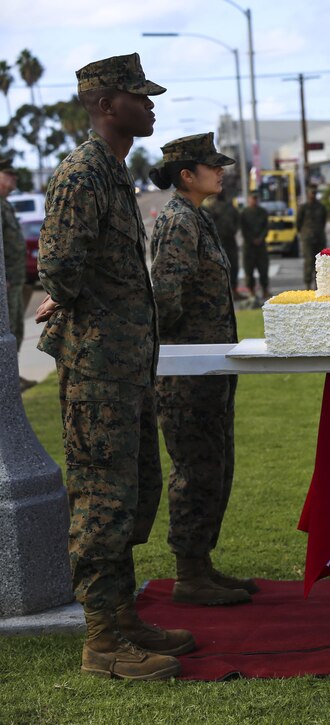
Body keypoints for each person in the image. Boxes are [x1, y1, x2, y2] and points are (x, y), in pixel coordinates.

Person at [35, 52, 189, 680]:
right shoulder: (84, 174)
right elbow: (61, 269)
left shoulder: (112, 171)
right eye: (139, 97)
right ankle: (102, 641)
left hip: (123, 368)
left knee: (130, 495)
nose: (150, 106)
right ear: (105, 104)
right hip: (98, 369)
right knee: (101, 500)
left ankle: (121, 616)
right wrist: (68, 300)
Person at [147, 133, 254, 608]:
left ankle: (202, 565)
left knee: (215, 465)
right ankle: (188, 574)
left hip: (208, 364)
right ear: (186, 175)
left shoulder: (195, 217)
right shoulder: (178, 222)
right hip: (187, 369)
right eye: (213, 166)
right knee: (196, 469)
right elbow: (166, 300)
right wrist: (186, 349)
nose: (221, 171)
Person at [1, 156, 23, 353]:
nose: (13, 179)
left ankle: (13, 375)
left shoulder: (5, 204)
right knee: (9, 331)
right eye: (8, 175)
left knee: (16, 328)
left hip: (15, 279)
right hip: (5, 282)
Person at [203, 191, 241, 295]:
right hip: (216, 241)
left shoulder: (229, 207)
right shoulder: (208, 207)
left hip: (229, 240)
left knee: (233, 265)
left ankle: (234, 290)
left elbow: (237, 219)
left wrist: (233, 229)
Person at [239, 192, 270, 302]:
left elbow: (266, 227)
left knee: (263, 269)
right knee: (249, 269)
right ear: (248, 199)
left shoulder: (262, 212)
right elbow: (243, 229)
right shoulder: (244, 213)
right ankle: (251, 291)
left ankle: (265, 289)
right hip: (249, 246)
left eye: (256, 198)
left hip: (261, 246)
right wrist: (252, 239)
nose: (254, 200)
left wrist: (260, 238)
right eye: (252, 198)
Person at [297, 186, 328, 289]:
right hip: (307, 239)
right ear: (308, 194)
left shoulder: (321, 207)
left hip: (319, 237)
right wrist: (304, 233)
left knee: (319, 261)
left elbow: (323, 221)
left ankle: (318, 284)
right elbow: (298, 223)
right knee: (309, 261)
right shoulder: (303, 207)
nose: (313, 195)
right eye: (311, 193)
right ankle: (307, 284)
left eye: (314, 193)